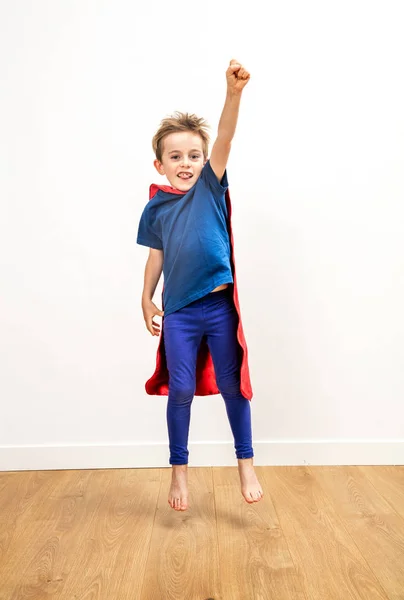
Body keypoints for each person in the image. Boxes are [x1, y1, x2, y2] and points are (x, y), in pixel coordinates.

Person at [137, 59, 263, 511]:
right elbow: (157, 255)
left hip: (218, 307)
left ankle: (245, 462)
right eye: (176, 156)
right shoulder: (156, 208)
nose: (186, 163)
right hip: (181, 314)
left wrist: (233, 95)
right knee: (182, 390)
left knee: (233, 385)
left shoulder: (210, 186)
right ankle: (179, 474)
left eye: (194, 155)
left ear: (204, 161)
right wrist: (146, 299)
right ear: (161, 163)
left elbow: (225, 136)